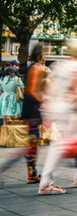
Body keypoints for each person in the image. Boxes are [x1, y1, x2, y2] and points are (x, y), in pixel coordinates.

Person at [38, 39, 77, 195]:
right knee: (61, 146)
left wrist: (48, 116)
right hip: (69, 110)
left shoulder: (58, 66)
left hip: (55, 108)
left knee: (71, 142)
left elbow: (50, 89)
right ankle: (46, 183)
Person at [0, 45, 49, 185]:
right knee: (31, 145)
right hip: (32, 111)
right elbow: (32, 91)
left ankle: (32, 174)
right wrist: (44, 99)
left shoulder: (34, 67)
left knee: (32, 144)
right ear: (40, 54)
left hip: (31, 110)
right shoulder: (35, 68)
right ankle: (7, 167)